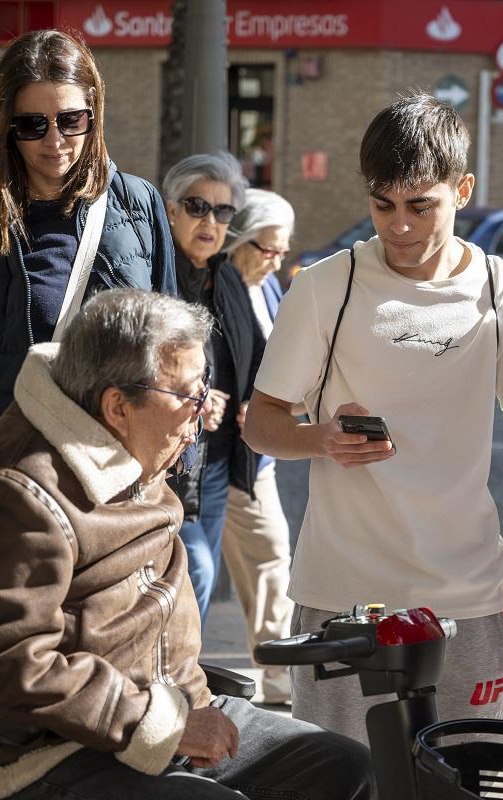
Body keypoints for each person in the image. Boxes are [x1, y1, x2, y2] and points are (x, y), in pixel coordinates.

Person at [0, 289, 374, 800]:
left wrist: (182, 715)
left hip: (176, 713)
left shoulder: (130, 447)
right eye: (188, 396)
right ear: (117, 405)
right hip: (54, 752)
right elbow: (11, 663)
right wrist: (159, 723)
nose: (203, 412)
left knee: (348, 769)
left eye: (205, 388)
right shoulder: (14, 498)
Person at [243, 93, 503, 743]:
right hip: (345, 596)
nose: (400, 226)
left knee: (466, 776)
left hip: (468, 595)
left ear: (462, 190)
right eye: (382, 205)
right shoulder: (325, 288)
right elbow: (260, 422)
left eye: (421, 206)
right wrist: (321, 439)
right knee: (345, 783)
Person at [0, 29, 176, 555]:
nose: (55, 141)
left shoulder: (138, 207)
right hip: (3, 478)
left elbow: (174, 357)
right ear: (5, 126)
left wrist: (173, 457)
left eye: (72, 120)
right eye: (32, 125)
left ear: (94, 114)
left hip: (111, 493)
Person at [161, 152, 265, 622]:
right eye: (198, 206)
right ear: (171, 210)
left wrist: (252, 402)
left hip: (219, 460)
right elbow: (132, 365)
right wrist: (191, 398)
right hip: (166, 462)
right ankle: (168, 676)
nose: (211, 221)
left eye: (223, 212)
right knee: (194, 571)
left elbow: (259, 356)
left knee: (193, 577)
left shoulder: (227, 278)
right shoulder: (154, 274)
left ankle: (183, 674)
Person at [220, 188, 297, 706]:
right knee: (264, 557)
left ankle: (275, 680)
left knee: (267, 561)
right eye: (266, 249)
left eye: (282, 251)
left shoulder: (265, 287)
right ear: (238, 241)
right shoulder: (220, 283)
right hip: (223, 457)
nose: (274, 261)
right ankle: (275, 682)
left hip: (255, 456)